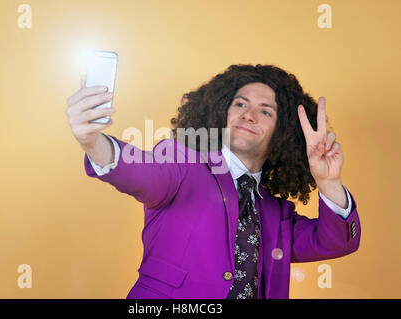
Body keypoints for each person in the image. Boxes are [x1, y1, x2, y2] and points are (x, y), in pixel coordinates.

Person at [65, 64, 361, 299]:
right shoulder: (180, 161)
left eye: (265, 111)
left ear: (283, 132)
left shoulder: (277, 212)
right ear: (221, 112)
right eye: (240, 104)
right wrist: (93, 141)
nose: (249, 115)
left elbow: (334, 242)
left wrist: (328, 181)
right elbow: (139, 171)